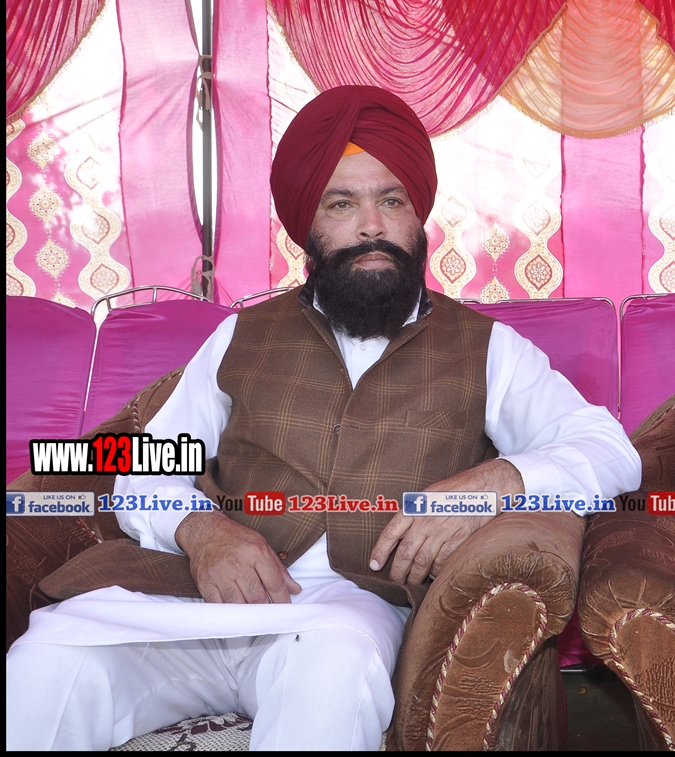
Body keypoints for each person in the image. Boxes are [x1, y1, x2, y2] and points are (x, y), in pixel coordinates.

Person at [6, 85, 641, 751]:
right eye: (342, 204)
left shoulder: (487, 348)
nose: (372, 225)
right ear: (308, 227)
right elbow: (146, 464)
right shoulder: (241, 336)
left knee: (332, 673)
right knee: (47, 661)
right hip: (186, 600)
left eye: (392, 200)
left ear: (418, 217)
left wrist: (498, 481)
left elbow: (608, 450)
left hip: (343, 615)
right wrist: (201, 531)